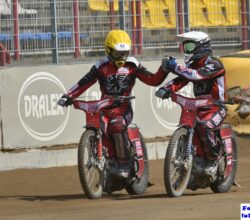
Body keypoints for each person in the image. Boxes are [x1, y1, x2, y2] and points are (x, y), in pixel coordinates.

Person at [60, 29, 169, 178]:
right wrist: (68, 96)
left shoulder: (132, 65)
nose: (122, 57)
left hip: (124, 107)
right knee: (100, 128)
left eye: (125, 53)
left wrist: (163, 70)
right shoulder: (100, 66)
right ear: (108, 50)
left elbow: (153, 80)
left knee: (116, 126)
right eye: (118, 53)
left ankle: (124, 164)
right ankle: (108, 160)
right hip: (104, 107)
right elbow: (84, 83)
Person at [156, 31, 226, 178]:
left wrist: (174, 66)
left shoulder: (215, 64)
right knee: (189, 124)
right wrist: (165, 89)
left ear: (201, 47)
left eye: (189, 46)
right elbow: (180, 80)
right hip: (198, 109)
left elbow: (196, 75)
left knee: (204, 125)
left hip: (216, 108)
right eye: (185, 46)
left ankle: (213, 160)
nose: (186, 50)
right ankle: (192, 160)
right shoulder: (192, 66)